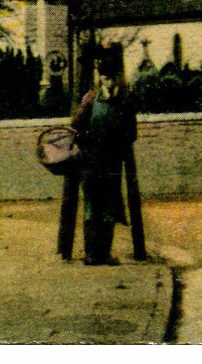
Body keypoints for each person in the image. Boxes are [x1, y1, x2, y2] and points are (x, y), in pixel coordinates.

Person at [71, 44, 137, 265]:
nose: (108, 82)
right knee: (92, 207)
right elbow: (76, 126)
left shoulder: (125, 102)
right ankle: (91, 253)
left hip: (111, 164)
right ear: (100, 79)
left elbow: (131, 133)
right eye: (104, 78)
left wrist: (118, 143)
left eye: (111, 78)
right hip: (90, 162)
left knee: (109, 207)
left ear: (118, 78)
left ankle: (104, 253)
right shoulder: (90, 99)